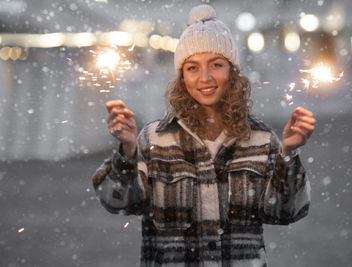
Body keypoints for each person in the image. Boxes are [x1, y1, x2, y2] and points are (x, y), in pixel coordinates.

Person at [92, 4, 315, 266]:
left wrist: (288, 155)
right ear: (181, 76)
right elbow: (117, 203)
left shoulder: (261, 139)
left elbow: (286, 212)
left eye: (216, 64)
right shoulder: (154, 139)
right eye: (193, 68)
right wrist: (127, 151)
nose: (205, 78)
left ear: (232, 71)